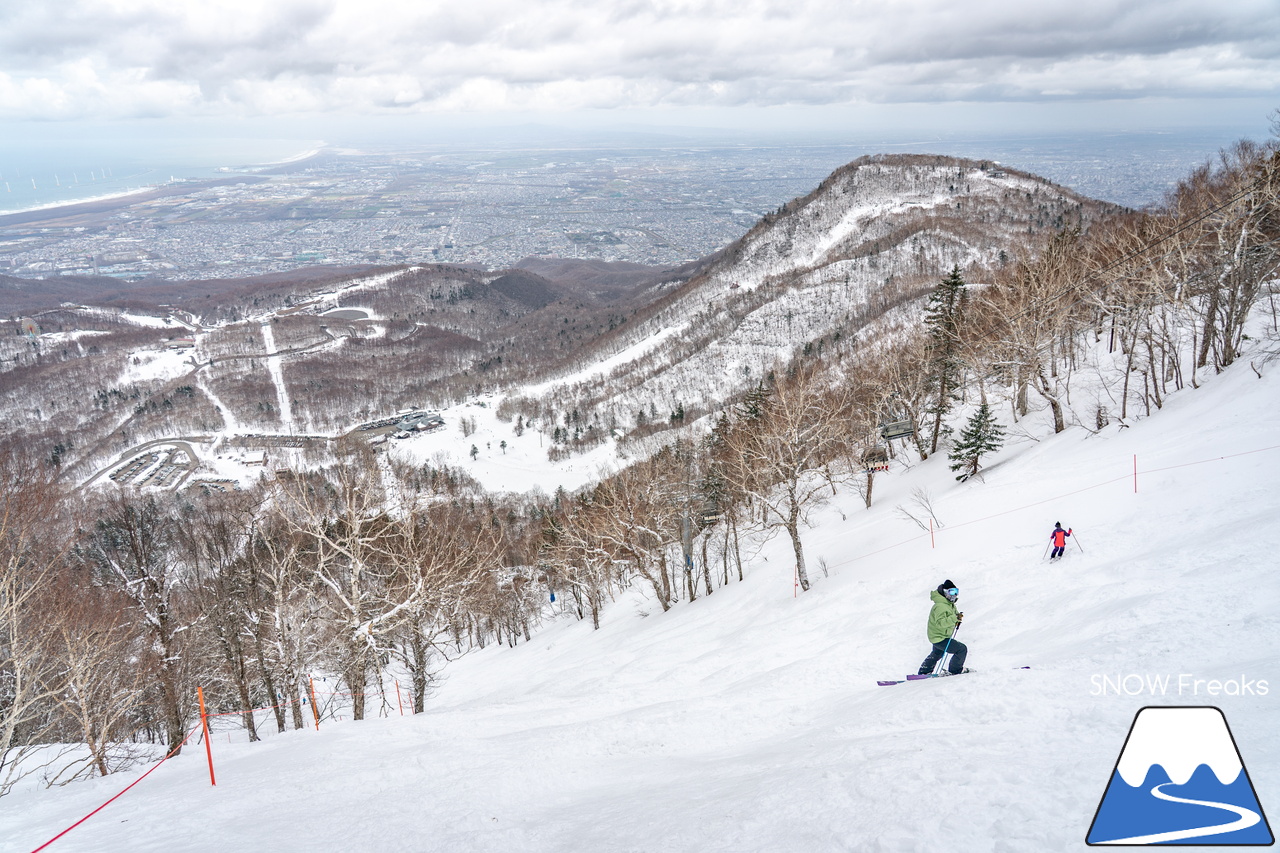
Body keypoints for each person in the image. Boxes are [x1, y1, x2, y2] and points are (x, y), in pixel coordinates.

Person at [918, 580, 968, 676]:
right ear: (945, 592)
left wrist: (957, 618)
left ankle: (924, 672)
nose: (955, 595)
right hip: (940, 637)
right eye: (952, 592)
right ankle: (955, 670)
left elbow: (952, 617)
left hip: (940, 636)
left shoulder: (949, 605)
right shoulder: (940, 606)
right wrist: (954, 618)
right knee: (961, 649)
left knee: (937, 653)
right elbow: (940, 623)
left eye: (956, 592)